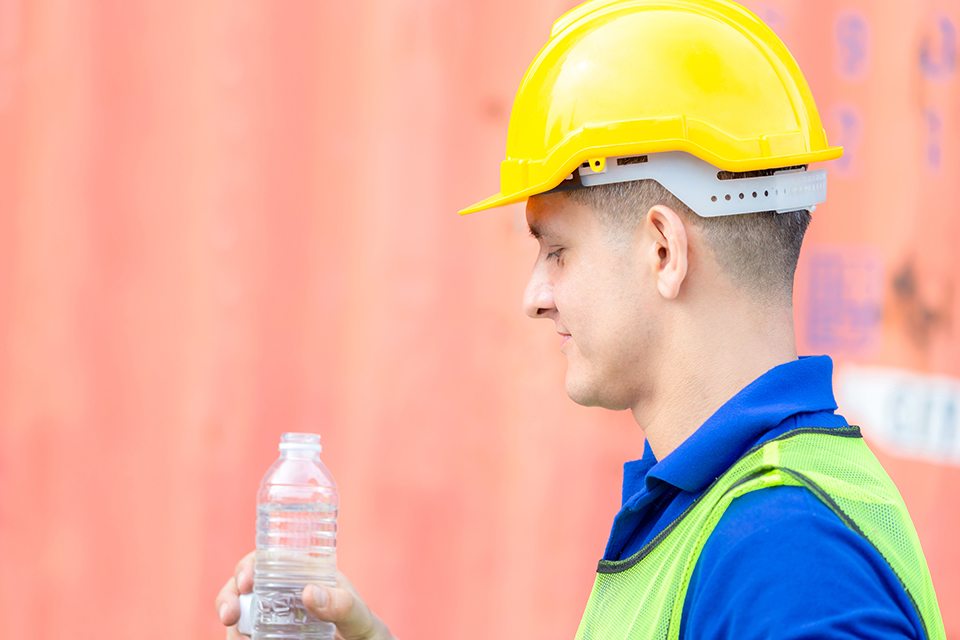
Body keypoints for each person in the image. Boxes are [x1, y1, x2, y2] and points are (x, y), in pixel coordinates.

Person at [217, 1, 947, 638]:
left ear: (664, 249)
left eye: (557, 250)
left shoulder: (785, 557)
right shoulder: (713, 513)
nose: (534, 295)